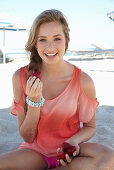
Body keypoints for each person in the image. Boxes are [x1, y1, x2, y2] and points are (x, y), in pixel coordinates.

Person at [0, 9, 113, 170]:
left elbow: (90, 127)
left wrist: (73, 141)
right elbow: (27, 136)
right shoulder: (20, 77)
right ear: (35, 43)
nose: (50, 46)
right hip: (36, 153)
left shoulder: (84, 81)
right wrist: (34, 102)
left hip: (71, 153)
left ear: (66, 40)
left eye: (57, 38)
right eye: (43, 40)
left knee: (109, 158)